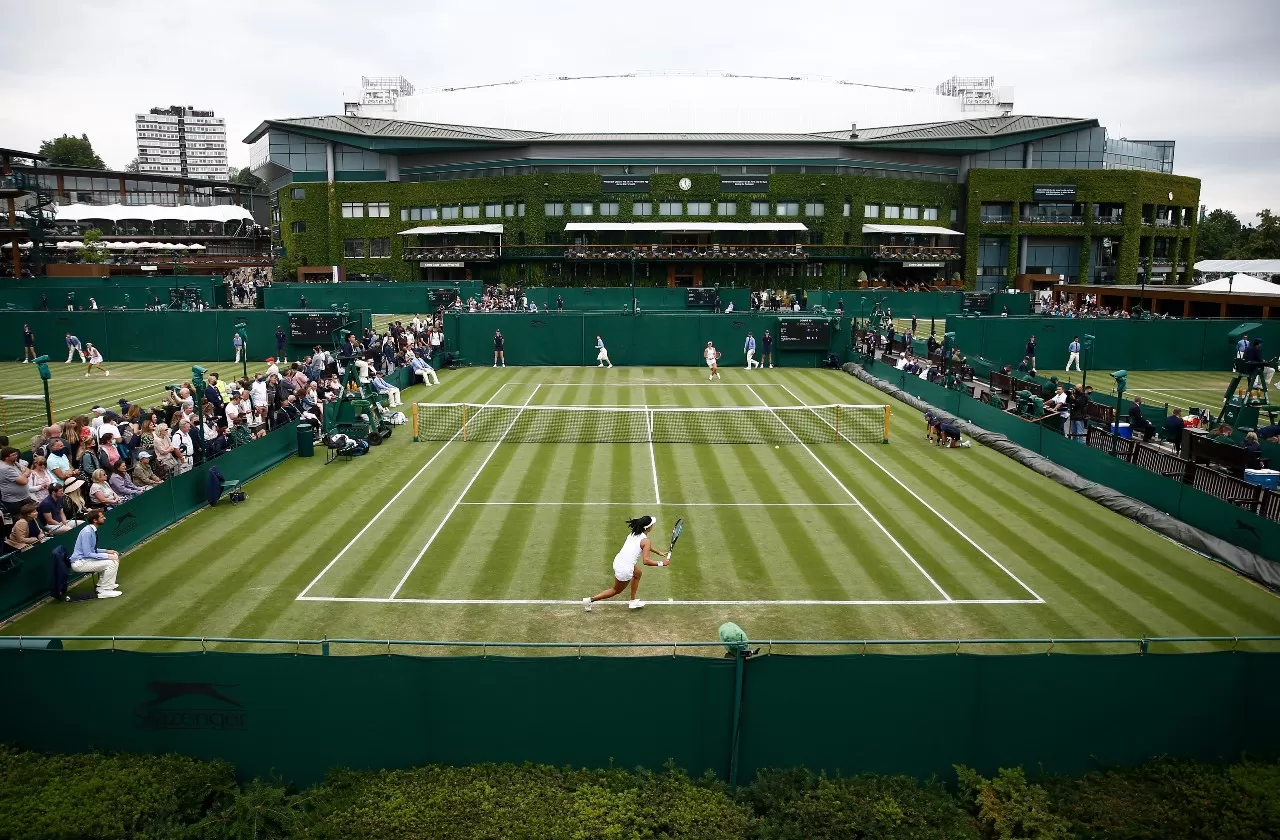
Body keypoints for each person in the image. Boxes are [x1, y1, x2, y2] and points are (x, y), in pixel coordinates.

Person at [583, 515, 670, 611]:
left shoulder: (634, 533)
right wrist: (662, 563)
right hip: (625, 568)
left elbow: (645, 545)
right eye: (652, 524)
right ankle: (590, 600)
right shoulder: (646, 541)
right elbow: (646, 561)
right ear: (648, 527)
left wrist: (658, 552)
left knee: (638, 574)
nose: (653, 526)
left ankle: (632, 601)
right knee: (616, 590)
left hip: (619, 560)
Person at [70, 509, 122, 598]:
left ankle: (101, 586)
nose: (104, 518)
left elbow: (91, 549)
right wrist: (107, 556)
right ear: (95, 520)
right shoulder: (87, 532)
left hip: (85, 559)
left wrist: (106, 551)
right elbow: (88, 553)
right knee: (112, 562)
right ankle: (106, 590)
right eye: (102, 517)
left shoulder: (91, 530)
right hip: (80, 563)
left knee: (114, 556)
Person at [0, 446, 31, 518]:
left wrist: (24, 474)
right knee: (19, 519)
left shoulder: (14, 463)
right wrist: (25, 475)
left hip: (24, 497)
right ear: (6, 457)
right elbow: (24, 481)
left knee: (30, 516)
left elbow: (28, 470)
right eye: (13, 455)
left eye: (16, 454)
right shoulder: (4, 468)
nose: (16, 456)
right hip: (14, 501)